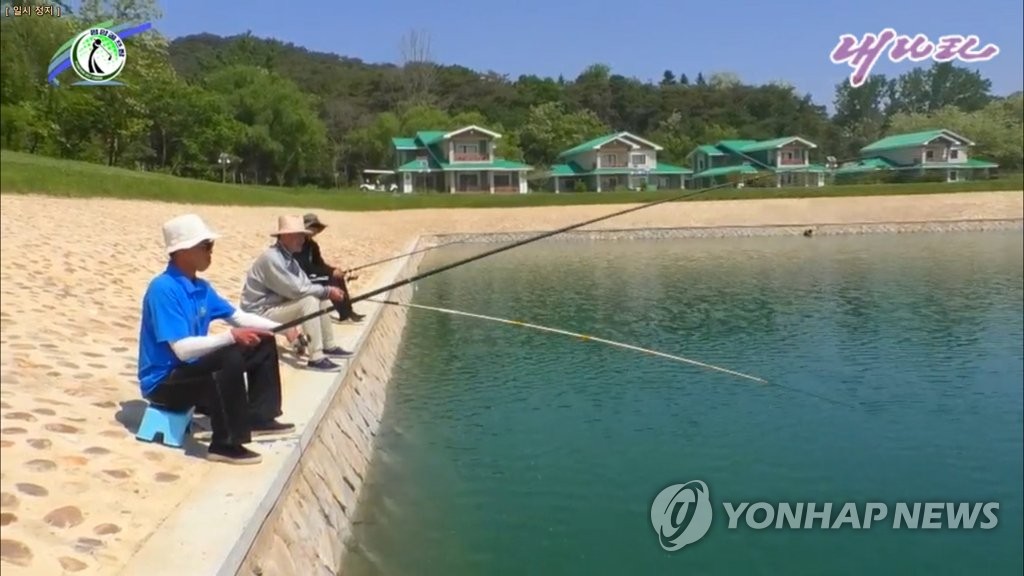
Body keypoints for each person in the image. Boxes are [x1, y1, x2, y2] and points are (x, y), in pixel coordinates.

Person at [137, 214, 299, 465]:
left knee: (262, 341)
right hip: (164, 384)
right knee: (228, 355)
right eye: (206, 246)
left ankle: (259, 416)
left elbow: (239, 317)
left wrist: (281, 329)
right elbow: (181, 350)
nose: (211, 252)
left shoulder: (202, 288)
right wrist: (229, 337)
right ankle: (225, 444)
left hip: (192, 371)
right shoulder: (163, 289)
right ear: (183, 250)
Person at [239, 215, 351, 372]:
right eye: (300, 235)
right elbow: (296, 290)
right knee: (310, 301)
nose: (303, 240)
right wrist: (328, 290)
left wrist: (325, 293)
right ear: (286, 236)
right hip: (258, 314)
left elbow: (305, 284)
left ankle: (329, 346)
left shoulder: (289, 258)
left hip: (274, 308)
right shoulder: (272, 259)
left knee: (320, 298)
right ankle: (316, 358)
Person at [297, 213, 365, 323]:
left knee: (338, 278)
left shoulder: (313, 245)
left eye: (316, 228)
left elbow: (319, 264)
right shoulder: (297, 244)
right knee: (331, 279)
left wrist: (334, 270)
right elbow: (306, 267)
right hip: (302, 278)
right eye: (313, 227)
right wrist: (331, 272)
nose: (315, 231)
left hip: (311, 275)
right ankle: (344, 315)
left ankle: (349, 311)